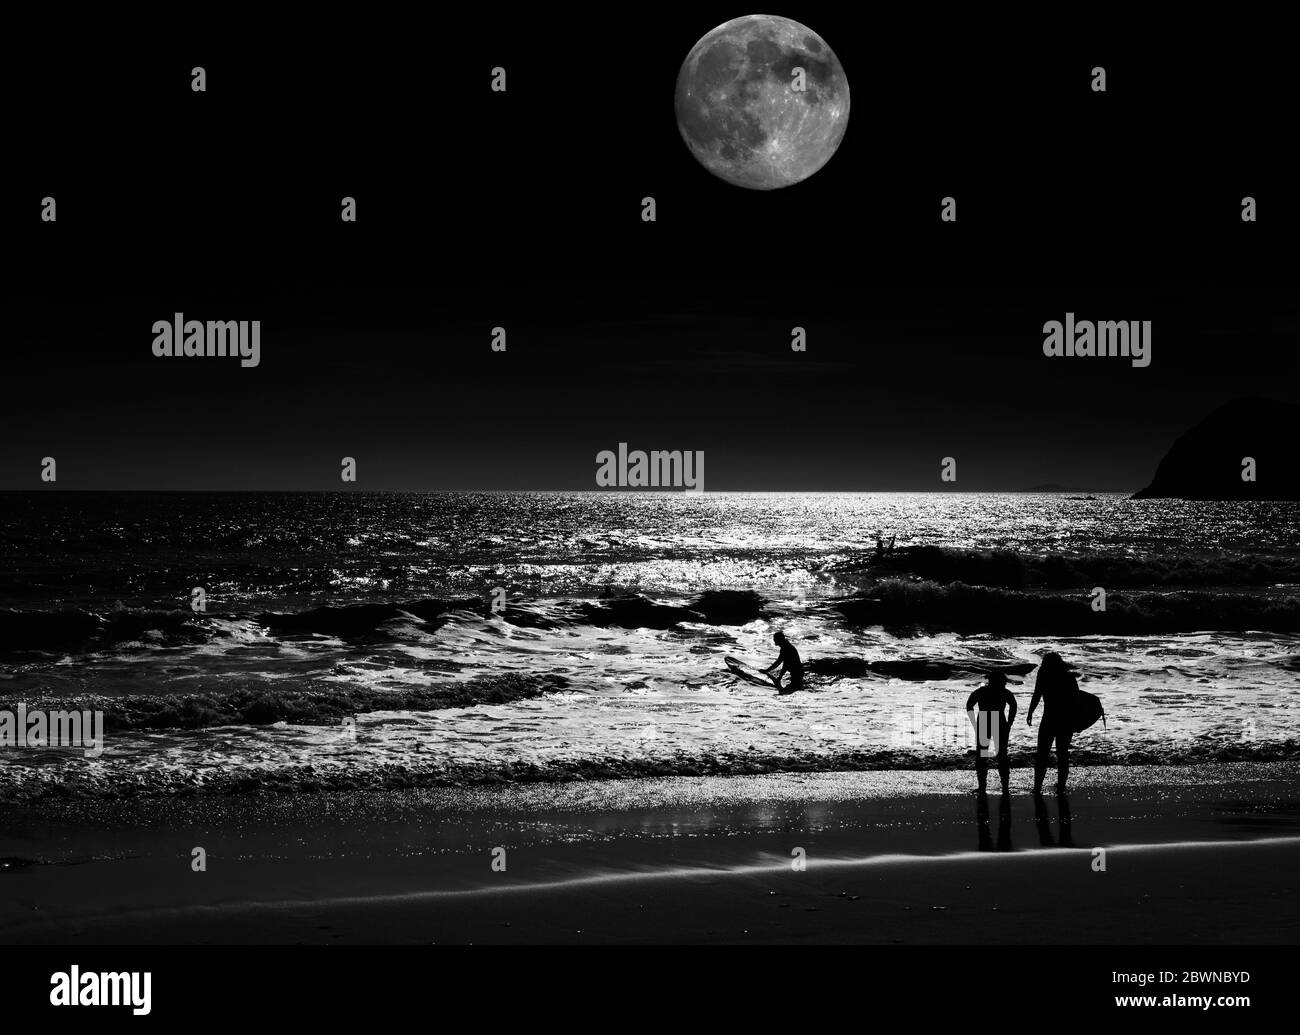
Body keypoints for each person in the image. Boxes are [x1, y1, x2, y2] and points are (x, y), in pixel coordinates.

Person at [1027, 651, 1079, 795]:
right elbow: (1076, 701)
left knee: (1042, 754)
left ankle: (1037, 787)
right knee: (1062, 753)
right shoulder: (1069, 677)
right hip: (1066, 720)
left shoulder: (1044, 675)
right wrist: (1076, 721)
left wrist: (1030, 712)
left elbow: (1037, 694)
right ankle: (1061, 786)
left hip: (1049, 718)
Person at [966, 670, 1018, 795]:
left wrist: (974, 721)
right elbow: (1013, 706)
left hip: (984, 720)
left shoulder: (981, 691)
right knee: (1002, 755)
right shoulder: (1005, 692)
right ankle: (1005, 787)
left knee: (983, 755)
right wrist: (1009, 723)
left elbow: (969, 704)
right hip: (999, 721)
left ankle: (982, 787)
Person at [761, 631, 804, 695]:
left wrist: (779, 677)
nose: (774, 640)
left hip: (797, 673)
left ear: (779, 639)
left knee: (792, 689)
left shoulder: (786, 648)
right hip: (797, 672)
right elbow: (780, 662)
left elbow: (784, 664)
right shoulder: (785, 646)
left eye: (775, 639)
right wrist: (768, 671)